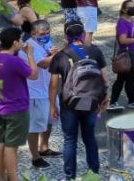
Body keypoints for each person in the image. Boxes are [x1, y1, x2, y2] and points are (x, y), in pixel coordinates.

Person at [49, 22, 108, 180]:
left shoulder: (61, 55)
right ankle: (94, 173)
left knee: (70, 140)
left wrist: (52, 105)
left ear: (66, 36)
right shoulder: (94, 51)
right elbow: (104, 76)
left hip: (69, 103)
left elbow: (54, 85)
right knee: (89, 137)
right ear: (83, 35)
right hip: (91, 101)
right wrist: (105, 97)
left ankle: (70, 176)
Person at [0, 27, 39, 180]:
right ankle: (14, 178)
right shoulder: (15, 61)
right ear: (15, 42)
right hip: (16, 109)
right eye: (20, 40)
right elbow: (34, 75)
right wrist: (30, 54)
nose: (22, 43)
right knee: (11, 147)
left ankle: (0, 177)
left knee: (0, 143)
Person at [21, 20, 60, 168]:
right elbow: (43, 63)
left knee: (50, 120)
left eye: (48, 32)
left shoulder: (48, 42)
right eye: (43, 34)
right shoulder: (29, 47)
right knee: (35, 126)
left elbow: (52, 56)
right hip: (35, 92)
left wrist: (55, 52)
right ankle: (35, 157)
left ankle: (44, 147)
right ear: (33, 34)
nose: (46, 36)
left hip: (49, 89)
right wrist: (62, 51)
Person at [111, 0, 134, 110]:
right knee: (124, 79)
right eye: (130, 7)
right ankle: (120, 101)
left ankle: (127, 100)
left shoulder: (129, 20)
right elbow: (122, 40)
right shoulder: (123, 22)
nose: (133, 9)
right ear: (123, 9)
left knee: (127, 79)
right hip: (127, 55)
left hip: (132, 53)